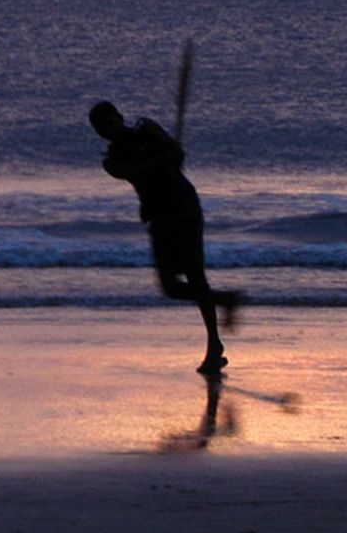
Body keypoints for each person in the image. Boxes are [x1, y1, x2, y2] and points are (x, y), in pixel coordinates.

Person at [89, 100, 239, 373]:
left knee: (196, 277)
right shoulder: (111, 162)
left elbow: (177, 154)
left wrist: (170, 155)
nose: (109, 129)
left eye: (111, 122)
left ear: (120, 117)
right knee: (169, 287)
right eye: (103, 128)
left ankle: (214, 347)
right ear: (100, 134)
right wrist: (165, 158)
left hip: (184, 210)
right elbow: (141, 171)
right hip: (159, 218)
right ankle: (224, 299)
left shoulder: (146, 128)